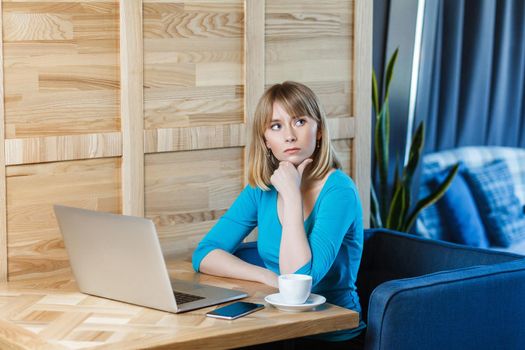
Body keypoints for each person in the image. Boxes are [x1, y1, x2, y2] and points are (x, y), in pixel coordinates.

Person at [192, 81, 366, 348]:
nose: (289, 136)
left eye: (299, 121)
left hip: (330, 335)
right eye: (276, 126)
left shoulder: (339, 190)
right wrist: (266, 277)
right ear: (265, 140)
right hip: (275, 327)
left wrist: (292, 196)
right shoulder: (261, 188)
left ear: (318, 130)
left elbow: (298, 281)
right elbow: (205, 253)